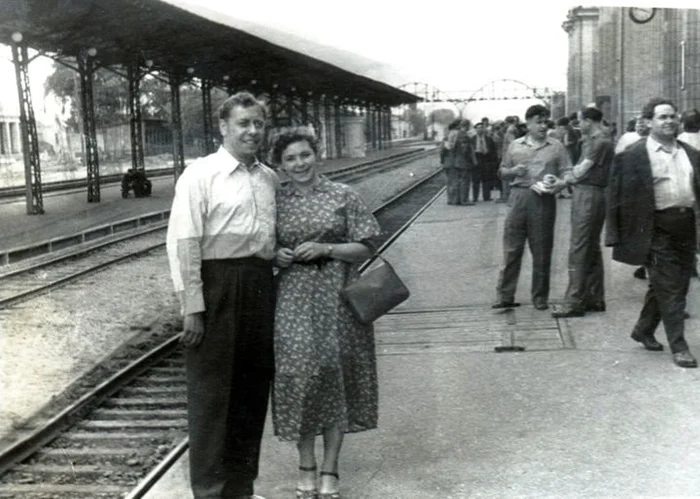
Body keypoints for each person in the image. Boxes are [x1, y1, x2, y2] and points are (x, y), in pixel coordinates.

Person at [166, 92, 277, 499]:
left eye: (258, 123)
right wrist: (192, 307)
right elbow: (184, 243)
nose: (252, 131)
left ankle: (241, 488)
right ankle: (210, 492)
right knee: (212, 395)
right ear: (223, 127)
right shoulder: (200, 175)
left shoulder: (268, 178)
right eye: (243, 123)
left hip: (260, 284)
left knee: (252, 391)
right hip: (218, 285)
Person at [271, 129, 381, 499]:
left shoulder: (343, 194)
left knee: (336, 378)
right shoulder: (275, 200)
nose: (299, 163)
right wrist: (277, 256)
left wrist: (326, 249)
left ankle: (331, 467)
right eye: (290, 159)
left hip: (338, 299)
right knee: (300, 378)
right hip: (293, 302)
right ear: (281, 165)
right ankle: (306, 464)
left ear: (316, 154)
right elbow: (262, 245)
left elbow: (366, 247)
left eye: (304, 155)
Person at [606, 97, 700, 368]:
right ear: (648, 122)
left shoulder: (690, 153)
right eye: (662, 117)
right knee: (671, 288)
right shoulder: (632, 155)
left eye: (672, 116)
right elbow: (617, 197)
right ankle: (679, 346)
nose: (669, 121)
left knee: (676, 283)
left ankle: (643, 329)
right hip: (654, 229)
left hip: (685, 226)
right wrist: (616, 235)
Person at [493, 104, 572, 310]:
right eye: (539, 122)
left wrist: (559, 183)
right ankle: (504, 296)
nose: (543, 126)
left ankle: (540, 297)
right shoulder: (515, 146)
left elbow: (568, 171)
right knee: (511, 249)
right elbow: (501, 171)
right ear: (528, 124)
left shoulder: (556, 147)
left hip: (543, 200)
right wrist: (513, 171)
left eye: (546, 122)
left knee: (542, 250)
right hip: (518, 198)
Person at [552, 107, 614, 318]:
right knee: (590, 247)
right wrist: (565, 181)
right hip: (590, 193)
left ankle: (574, 302)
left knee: (578, 248)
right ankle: (595, 297)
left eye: (580, 121)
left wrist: (561, 182)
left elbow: (580, 171)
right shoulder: (594, 141)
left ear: (589, 121)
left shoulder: (599, 142)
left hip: (589, 194)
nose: (578, 125)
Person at [471, 122, 499, 201]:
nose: (480, 129)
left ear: (484, 129)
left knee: (486, 179)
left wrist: (492, 160)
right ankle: (475, 197)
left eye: (481, 128)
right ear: (476, 129)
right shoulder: (472, 139)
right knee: (475, 180)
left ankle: (486, 197)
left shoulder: (488, 139)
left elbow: (494, 150)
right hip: (476, 159)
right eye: (478, 128)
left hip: (486, 160)